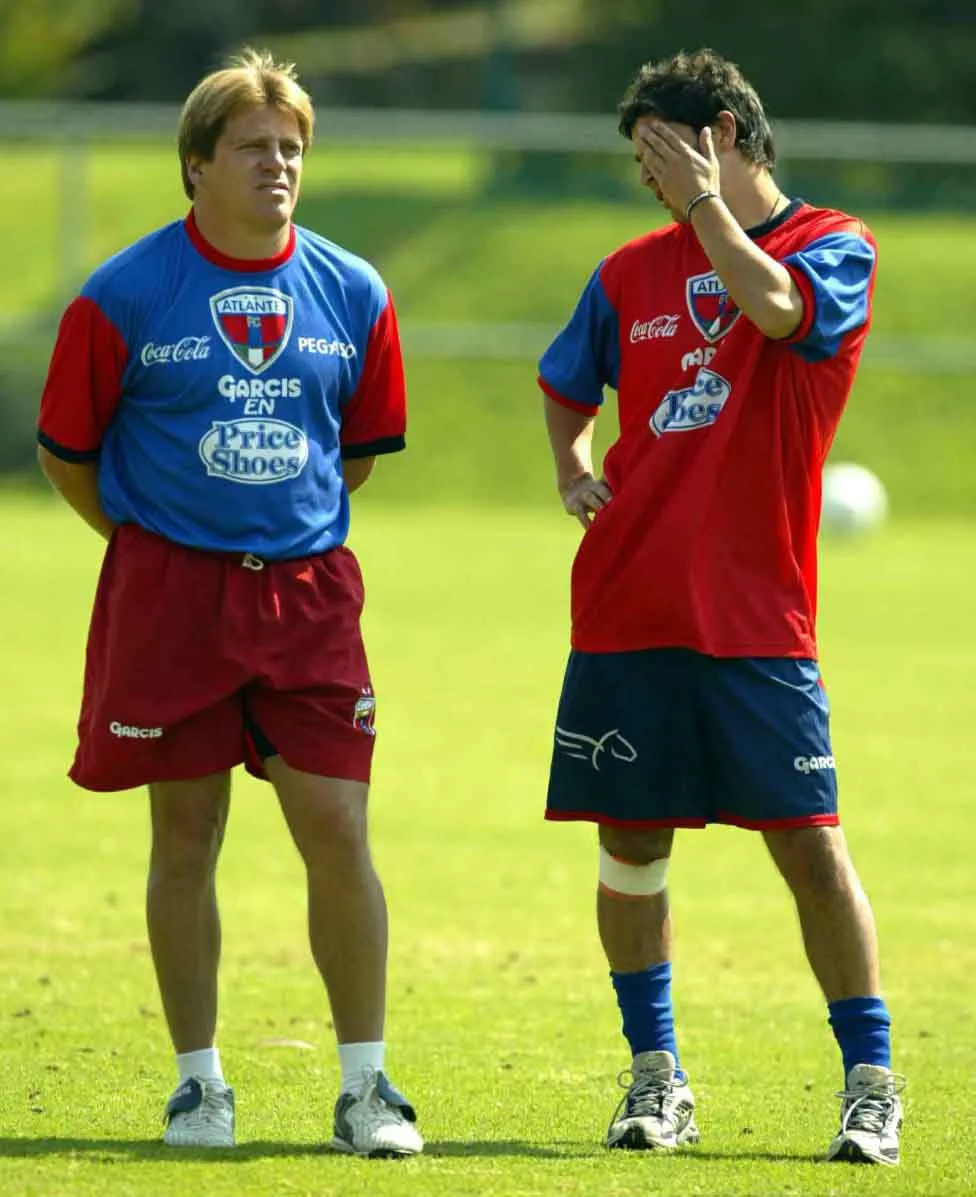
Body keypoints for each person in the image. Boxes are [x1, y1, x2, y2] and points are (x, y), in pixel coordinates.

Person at [36, 48, 423, 1159]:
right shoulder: (122, 294)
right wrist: (156, 543)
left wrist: (269, 531)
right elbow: (69, 454)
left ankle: (366, 1089)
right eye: (253, 146)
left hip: (308, 597)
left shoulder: (354, 291)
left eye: (292, 147)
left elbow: (354, 456)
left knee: (337, 827)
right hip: (172, 597)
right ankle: (198, 1087)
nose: (278, 164)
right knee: (185, 834)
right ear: (196, 163)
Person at [538, 48, 904, 1167]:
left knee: (809, 847)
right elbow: (566, 381)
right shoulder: (624, 274)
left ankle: (870, 1086)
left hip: (755, 618)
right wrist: (572, 467)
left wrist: (704, 207)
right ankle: (656, 1077)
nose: (647, 176)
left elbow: (781, 312)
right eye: (641, 160)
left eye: (660, 150)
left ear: (724, 135)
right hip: (626, 603)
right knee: (630, 845)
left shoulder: (831, 245)